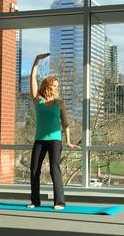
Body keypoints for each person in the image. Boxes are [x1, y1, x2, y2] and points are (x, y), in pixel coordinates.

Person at [28, 53, 80, 210]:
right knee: (34, 170)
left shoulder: (60, 103)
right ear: (47, 86)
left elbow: (65, 123)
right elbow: (32, 77)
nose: (57, 88)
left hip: (55, 140)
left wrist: (69, 141)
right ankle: (35, 201)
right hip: (39, 139)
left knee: (54, 169)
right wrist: (37, 60)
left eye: (58, 86)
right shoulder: (38, 100)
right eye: (54, 86)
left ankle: (59, 202)